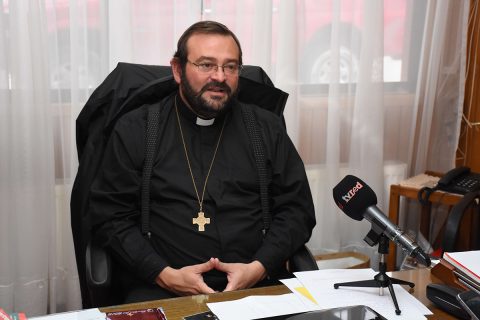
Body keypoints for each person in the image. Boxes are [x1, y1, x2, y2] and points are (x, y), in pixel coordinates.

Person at [89, 20, 316, 303]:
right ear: (177, 69)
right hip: (160, 289)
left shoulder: (265, 129)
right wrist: (162, 273)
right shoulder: (137, 129)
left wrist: (258, 268)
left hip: (256, 288)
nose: (219, 77)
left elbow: (298, 211)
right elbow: (109, 217)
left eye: (230, 67)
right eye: (206, 65)